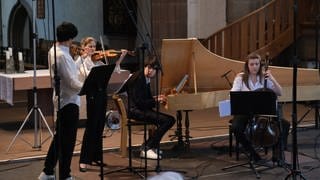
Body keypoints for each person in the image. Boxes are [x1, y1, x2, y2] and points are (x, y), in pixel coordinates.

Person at [75, 37, 127, 172]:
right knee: (91, 127)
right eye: (90, 46)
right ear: (84, 47)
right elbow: (82, 74)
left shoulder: (98, 61)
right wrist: (84, 56)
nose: (93, 49)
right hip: (92, 96)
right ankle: (84, 160)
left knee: (99, 127)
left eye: (94, 46)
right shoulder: (82, 61)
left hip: (102, 95)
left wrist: (120, 57)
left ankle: (95, 157)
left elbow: (114, 70)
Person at [38, 22, 82, 180]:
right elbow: (71, 81)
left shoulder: (53, 50)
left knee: (59, 139)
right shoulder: (62, 54)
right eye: (72, 38)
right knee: (68, 142)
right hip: (69, 101)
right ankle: (65, 175)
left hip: (62, 99)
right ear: (70, 38)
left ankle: (48, 171)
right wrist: (86, 87)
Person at [230, 52, 289, 162]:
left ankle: (277, 153)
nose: (254, 67)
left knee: (284, 125)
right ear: (247, 65)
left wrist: (272, 78)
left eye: (257, 64)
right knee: (236, 128)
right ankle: (251, 152)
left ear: (260, 65)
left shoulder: (265, 78)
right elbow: (234, 94)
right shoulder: (240, 78)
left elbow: (280, 92)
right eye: (251, 64)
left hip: (263, 112)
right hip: (245, 111)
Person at [126, 59, 176, 159]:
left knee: (166, 120)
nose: (151, 72)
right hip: (136, 111)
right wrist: (156, 100)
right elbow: (139, 102)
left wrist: (156, 98)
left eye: (154, 70)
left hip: (140, 109)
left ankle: (151, 145)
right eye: (150, 68)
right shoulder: (138, 79)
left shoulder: (143, 77)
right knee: (169, 120)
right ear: (147, 67)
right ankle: (147, 148)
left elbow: (143, 98)